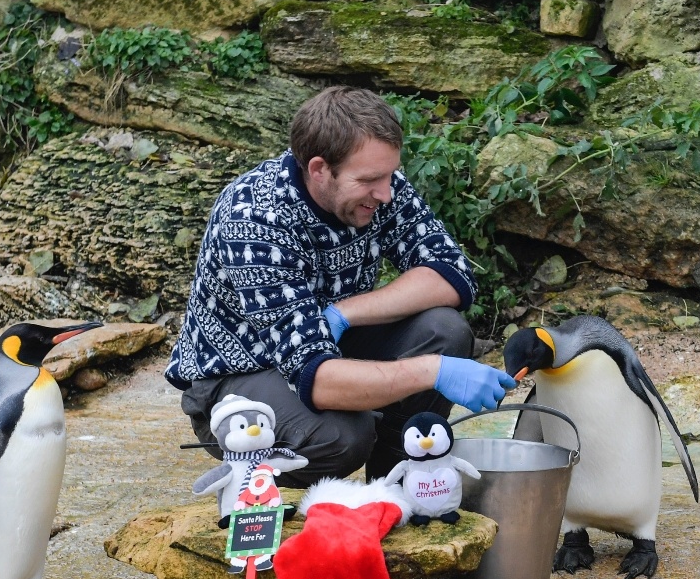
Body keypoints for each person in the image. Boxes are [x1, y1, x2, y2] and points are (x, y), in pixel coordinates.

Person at [165, 86, 517, 483]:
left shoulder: (379, 185)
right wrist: (432, 371)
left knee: (445, 330)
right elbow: (316, 379)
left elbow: (450, 273)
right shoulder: (255, 218)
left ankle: (397, 486)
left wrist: (342, 314)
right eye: (370, 180)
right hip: (240, 373)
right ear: (319, 169)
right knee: (343, 437)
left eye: (390, 175)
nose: (386, 193)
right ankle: (254, 493)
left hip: (326, 345)